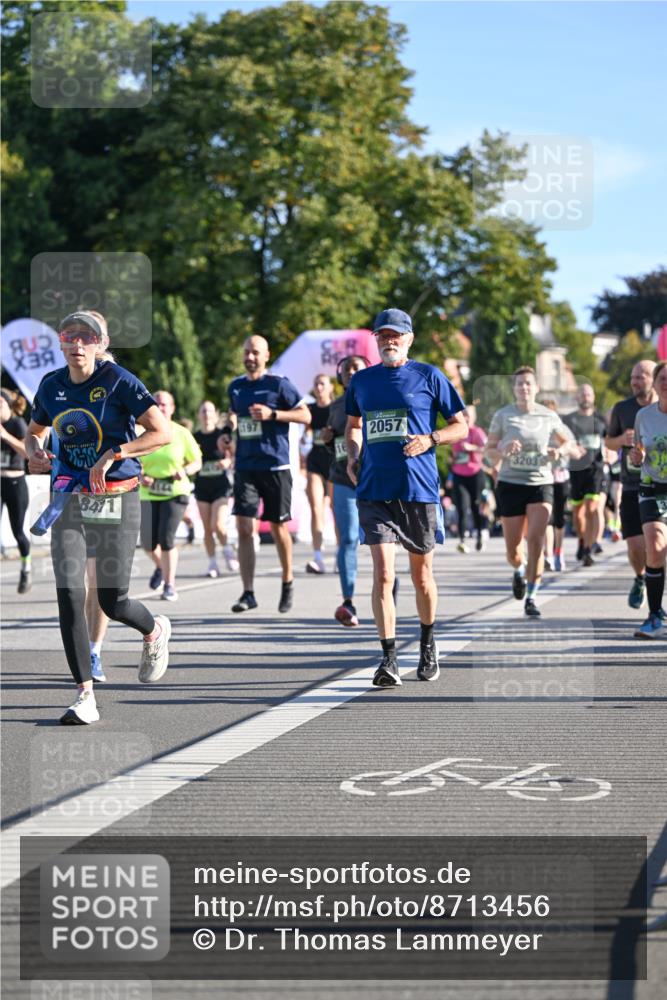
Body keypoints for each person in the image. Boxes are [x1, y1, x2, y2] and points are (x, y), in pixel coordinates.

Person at [26, 310, 172, 725]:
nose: (77, 344)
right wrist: (35, 449)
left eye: (87, 337)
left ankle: (153, 631)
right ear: (60, 342)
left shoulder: (120, 382)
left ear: (101, 344)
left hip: (117, 496)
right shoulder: (51, 385)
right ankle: (84, 694)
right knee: (70, 593)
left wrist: (115, 453)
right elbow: (34, 430)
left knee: (112, 598)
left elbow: (161, 432)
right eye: (70, 336)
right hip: (70, 496)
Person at [345, 308, 467, 687]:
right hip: (374, 488)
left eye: (395, 335)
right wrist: (351, 454)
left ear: (409, 338)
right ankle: (388, 658)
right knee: (383, 574)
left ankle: (428, 644)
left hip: (418, 489)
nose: (389, 340)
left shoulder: (428, 375)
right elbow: (353, 426)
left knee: (422, 577)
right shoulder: (362, 381)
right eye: (383, 335)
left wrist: (431, 439)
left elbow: (461, 426)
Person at [225, 335, 311, 613]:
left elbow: (306, 416)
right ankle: (248, 592)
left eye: (255, 353)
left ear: (266, 355)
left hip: (276, 466)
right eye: (247, 352)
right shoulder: (235, 387)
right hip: (246, 466)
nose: (250, 357)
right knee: (244, 527)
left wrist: (274, 415)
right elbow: (234, 417)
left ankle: (287, 580)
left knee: (277, 527)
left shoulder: (279, 384)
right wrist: (227, 435)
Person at [485, 366, 575, 617]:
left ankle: (532, 597)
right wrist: (502, 448)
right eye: (519, 384)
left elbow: (569, 442)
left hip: (540, 482)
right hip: (510, 483)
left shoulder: (548, 416)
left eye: (528, 384)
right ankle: (519, 569)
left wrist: (560, 451)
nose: (524, 388)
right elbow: (488, 450)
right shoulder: (503, 416)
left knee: (536, 540)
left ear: (536, 388)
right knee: (513, 550)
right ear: (514, 389)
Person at [139, 390, 202, 602]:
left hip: (175, 491)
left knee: (166, 539)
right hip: (148, 492)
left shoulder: (181, 433)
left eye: (165, 404)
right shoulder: (143, 432)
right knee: (148, 543)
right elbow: (132, 461)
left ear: (172, 408)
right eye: (157, 404)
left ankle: (169, 585)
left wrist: (185, 470)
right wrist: (141, 476)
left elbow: (196, 461)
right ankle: (161, 566)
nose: (161, 407)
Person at [605, 360, 657, 609]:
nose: (635, 381)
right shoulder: (622, 409)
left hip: (659, 484)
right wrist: (620, 440)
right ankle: (640, 578)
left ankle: (656, 591)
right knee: (636, 546)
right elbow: (608, 442)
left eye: (641, 376)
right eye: (633, 377)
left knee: (658, 544)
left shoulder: (662, 409)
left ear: (654, 379)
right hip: (631, 485)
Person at [323, 355, 369, 626]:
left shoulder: (377, 398)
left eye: (357, 368)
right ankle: (348, 601)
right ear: (340, 376)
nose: (351, 372)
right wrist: (328, 440)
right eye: (346, 369)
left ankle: (389, 586)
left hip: (375, 479)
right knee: (349, 538)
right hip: (343, 478)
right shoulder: (336, 406)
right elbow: (337, 443)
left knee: (379, 540)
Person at [630, 361, 667, 637]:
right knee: (654, 547)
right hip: (651, 486)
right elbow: (637, 451)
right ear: (654, 385)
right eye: (662, 378)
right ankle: (654, 616)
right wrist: (636, 457)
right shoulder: (644, 415)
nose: (666, 383)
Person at [564, 384, 608, 566]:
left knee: (591, 508)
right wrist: (572, 447)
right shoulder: (569, 420)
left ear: (593, 397)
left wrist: (611, 454)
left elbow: (608, 441)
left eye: (588, 394)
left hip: (595, 470)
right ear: (577, 397)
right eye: (582, 394)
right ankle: (582, 541)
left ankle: (589, 548)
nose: (585, 397)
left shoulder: (601, 420)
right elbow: (562, 440)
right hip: (575, 471)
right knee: (578, 514)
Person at [193, 400, 237, 577]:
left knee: (217, 524)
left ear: (216, 414)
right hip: (202, 486)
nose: (206, 414)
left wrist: (227, 462)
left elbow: (234, 456)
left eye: (210, 411)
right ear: (199, 415)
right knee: (207, 528)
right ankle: (212, 563)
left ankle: (227, 549)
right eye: (203, 411)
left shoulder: (222, 435)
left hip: (221, 485)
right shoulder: (194, 437)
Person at [0, 389, 32, 592]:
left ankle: (26, 567)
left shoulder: (17, 424)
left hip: (15, 483)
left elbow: (27, 453)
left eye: (0, 404)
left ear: (8, 405)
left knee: (18, 530)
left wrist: (5, 435)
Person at [304, 373, 334, 574]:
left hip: (333, 461)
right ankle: (318, 557)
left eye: (322, 383)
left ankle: (341, 555)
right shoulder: (310, 409)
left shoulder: (337, 408)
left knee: (333, 506)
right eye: (316, 384)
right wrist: (305, 439)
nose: (319, 387)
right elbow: (305, 430)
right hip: (315, 460)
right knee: (316, 508)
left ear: (330, 387)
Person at [450, 405, 489, 553]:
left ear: (474, 417)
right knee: (461, 507)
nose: (465, 418)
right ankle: (462, 540)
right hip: (459, 474)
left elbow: (487, 449)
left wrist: (472, 448)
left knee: (475, 506)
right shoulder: (457, 431)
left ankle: (479, 534)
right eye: (463, 414)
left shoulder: (477, 432)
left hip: (475, 474)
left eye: (468, 415)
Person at [541, 396, 573, 572]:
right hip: (543, 477)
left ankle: (558, 551)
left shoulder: (562, 429)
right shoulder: (537, 428)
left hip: (560, 476)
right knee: (546, 518)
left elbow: (572, 447)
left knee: (559, 519)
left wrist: (560, 451)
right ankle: (548, 555)